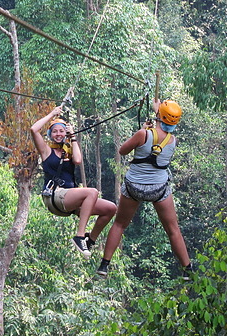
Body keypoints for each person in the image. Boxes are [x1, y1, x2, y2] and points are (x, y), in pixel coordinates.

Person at [96, 98, 193, 277]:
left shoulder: (143, 134)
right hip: (158, 189)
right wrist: (157, 113)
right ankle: (188, 269)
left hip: (134, 187)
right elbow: (160, 134)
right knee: (173, 229)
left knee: (119, 224)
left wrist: (141, 130)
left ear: (159, 116)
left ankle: (104, 265)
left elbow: (123, 151)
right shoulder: (173, 140)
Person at [31, 106, 117, 257]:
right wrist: (52, 114)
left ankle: (89, 240)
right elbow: (33, 129)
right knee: (92, 192)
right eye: (55, 131)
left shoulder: (68, 152)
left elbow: (77, 160)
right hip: (55, 196)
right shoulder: (46, 151)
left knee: (111, 209)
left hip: (69, 199)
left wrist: (73, 137)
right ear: (51, 134)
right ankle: (79, 236)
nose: (58, 134)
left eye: (61, 131)